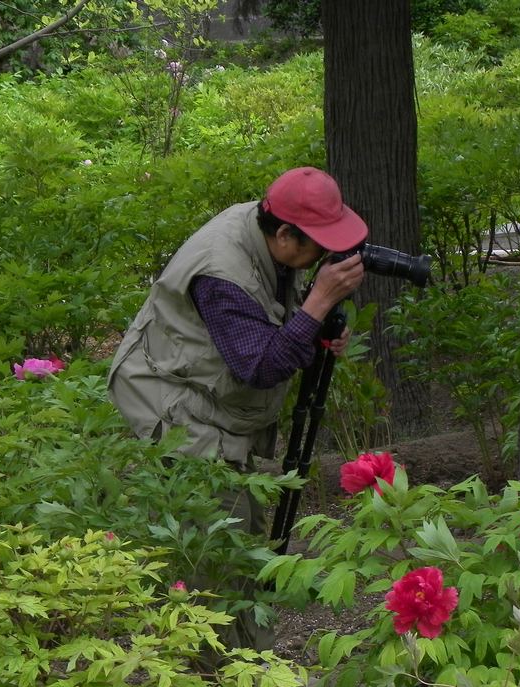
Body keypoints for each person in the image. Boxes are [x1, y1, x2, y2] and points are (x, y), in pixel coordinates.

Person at [107, 166, 366, 649]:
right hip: (174, 402)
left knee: (241, 534)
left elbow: (263, 324)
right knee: (218, 545)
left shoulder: (261, 229)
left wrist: (312, 330)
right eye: (319, 245)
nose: (327, 256)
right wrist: (317, 305)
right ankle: (220, 682)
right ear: (285, 234)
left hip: (205, 388)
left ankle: (243, 662)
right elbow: (260, 366)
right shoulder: (222, 272)